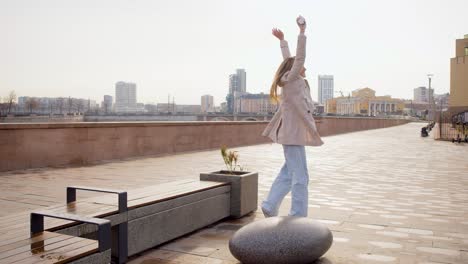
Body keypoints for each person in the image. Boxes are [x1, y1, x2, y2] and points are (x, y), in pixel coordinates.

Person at [261, 16, 324, 218]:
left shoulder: (290, 79)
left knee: (289, 173)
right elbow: (297, 59)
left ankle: (270, 205)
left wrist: (282, 41)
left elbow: (289, 60)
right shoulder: (293, 78)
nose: (305, 67)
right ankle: (298, 215)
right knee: (301, 176)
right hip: (293, 134)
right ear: (295, 68)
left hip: (292, 134)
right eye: (300, 65)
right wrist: (302, 32)